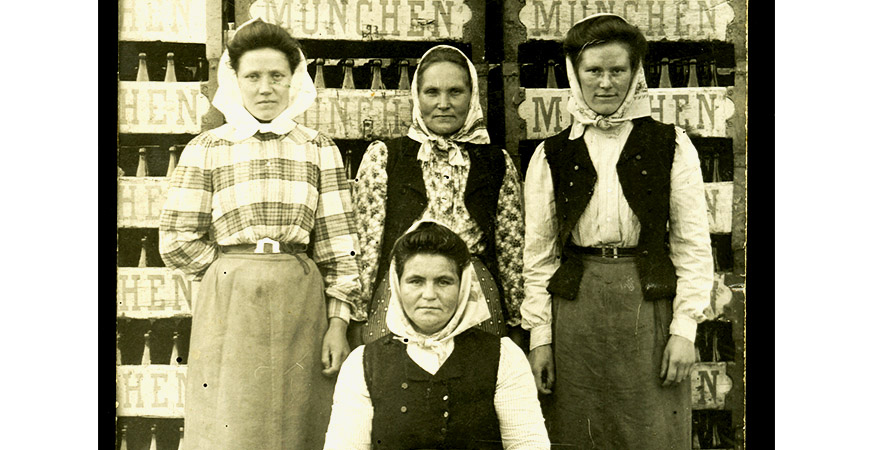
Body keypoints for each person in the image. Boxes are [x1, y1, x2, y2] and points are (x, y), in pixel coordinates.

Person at [158, 19, 363, 449]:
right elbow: (177, 238)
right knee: (231, 419)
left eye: (277, 76)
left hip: (300, 296)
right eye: (253, 76)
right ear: (235, 81)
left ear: (294, 81)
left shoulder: (318, 147)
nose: (266, 88)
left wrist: (338, 324)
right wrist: (232, 268)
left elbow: (339, 244)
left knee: (300, 417)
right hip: (230, 297)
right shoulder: (209, 148)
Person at [521, 13, 714, 449]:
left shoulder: (671, 144)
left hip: (647, 310)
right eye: (593, 71)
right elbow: (539, 255)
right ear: (575, 73)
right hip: (575, 313)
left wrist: (684, 331)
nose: (605, 83)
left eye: (617, 70)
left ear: (635, 73)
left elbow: (692, 246)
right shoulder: (551, 154)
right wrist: (540, 338)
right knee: (577, 431)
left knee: (649, 431)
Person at [353, 45, 525, 346]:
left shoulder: (496, 162)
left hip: (474, 292)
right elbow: (366, 247)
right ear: (417, 97)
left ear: (472, 97)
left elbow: (512, 251)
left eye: (455, 92)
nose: (443, 104)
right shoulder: (384, 156)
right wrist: (358, 316)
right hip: (402, 290)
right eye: (432, 92)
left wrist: (519, 325)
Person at [323, 221, 550, 450]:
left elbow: (528, 444)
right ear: (397, 285)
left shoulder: (504, 358)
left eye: (443, 282)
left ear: (463, 287)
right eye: (416, 281)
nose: (429, 295)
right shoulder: (363, 364)